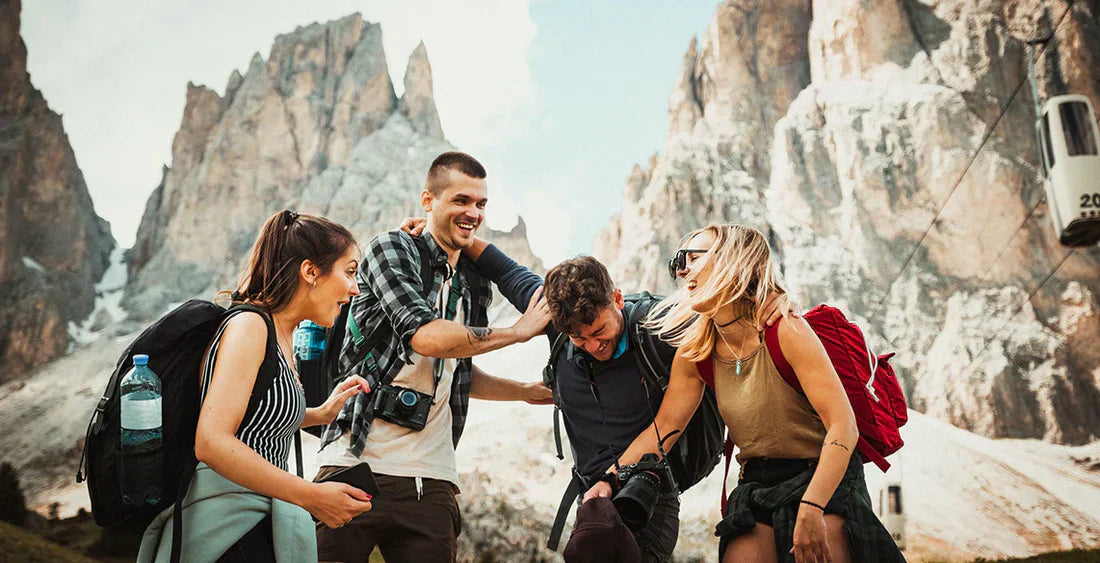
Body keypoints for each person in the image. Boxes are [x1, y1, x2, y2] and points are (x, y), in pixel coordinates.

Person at [394, 223, 789, 562]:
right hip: (593, 500)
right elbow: (505, 270)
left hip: (649, 495)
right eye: (577, 339)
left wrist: (775, 299)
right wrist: (445, 230)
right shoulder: (559, 323)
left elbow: (728, 300)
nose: (592, 346)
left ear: (617, 299)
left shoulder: (660, 328)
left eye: (600, 332)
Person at [606, 224, 904, 563]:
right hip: (757, 485)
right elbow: (663, 430)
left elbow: (843, 427)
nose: (682, 269)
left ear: (733, 260)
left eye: (693, 258)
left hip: (823, 476)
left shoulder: (785, 329)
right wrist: (608, 479)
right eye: (678, 261)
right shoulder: (696, 352)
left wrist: (812, 506)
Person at [314, 151, 553, 563]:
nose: (473, 212)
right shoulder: (391, 249)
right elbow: (426, 337)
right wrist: (517, 333)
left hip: (432, 480)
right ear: (428, 201)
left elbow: (456, 363)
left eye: (480, 204)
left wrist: (525, 392)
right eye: (460, 200)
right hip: (354, 464)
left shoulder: (474, 282)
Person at [138, 210, 375, 562]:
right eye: (350, 272)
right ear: (310, 272)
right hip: (224, 530)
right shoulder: (251, 326)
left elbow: (254, 419)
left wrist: (318, 414)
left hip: (254, 522)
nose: (355, 289)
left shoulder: (280, 335)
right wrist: (312, 496)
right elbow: (212, 442)